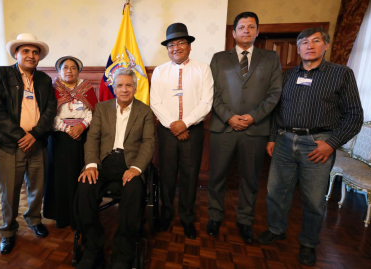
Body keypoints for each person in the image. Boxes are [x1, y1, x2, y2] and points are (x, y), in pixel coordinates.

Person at [257, 27, 363, 266]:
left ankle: (308, 243)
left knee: (313, 199)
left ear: (325, 46)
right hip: (284, 141)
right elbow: (276, 111)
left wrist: (332, 144)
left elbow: (354, 115)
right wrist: (273, 137)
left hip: (318, 145)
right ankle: (276, 229)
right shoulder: (287, 76)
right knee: (276, 192)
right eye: (304, 42)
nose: (309, 45)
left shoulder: (341, 74)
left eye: (316, 41)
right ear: (298, 48)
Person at [207, 11, 282, 243]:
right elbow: (212, 93)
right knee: (217, 176)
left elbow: (274, 94)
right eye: (242, 27)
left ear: (257, 31)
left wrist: (252, 116)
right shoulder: (219, 58)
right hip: (223, 127)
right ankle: (215, 216)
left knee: (250, 179)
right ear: (234, 32)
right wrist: (230, 117)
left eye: (251, 27)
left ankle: (245, 220)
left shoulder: (271, 58)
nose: (246, 31)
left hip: (255, 129)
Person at [74, 68, 155, 269]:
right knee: (84, 188)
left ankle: (122, 253)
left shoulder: (145, 111)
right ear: (113, 87)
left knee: (135, 191)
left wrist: (137, 168)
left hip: (130, 164)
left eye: (129, 85)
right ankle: (93, 247)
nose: (124, 89)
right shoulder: (102, 108)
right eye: (120, 85)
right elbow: (92, 138)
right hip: (104, 162)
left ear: (135, 88)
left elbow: (148, 143)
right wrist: (91, 164)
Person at [0, 33, 57, 255]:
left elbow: (50, 111)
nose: (31, 55)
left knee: (37, 188)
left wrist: (35, 134)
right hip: (10, 145)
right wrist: (20, 136)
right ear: (16, 53)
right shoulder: (1, 74)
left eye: (35, 52)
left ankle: (35, 220)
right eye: (25, 51)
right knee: (9, 192)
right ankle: (8, 231)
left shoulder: (45, 80)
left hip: (37, 143)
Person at [150, 22, 213, 239]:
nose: (175, 48)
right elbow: (155, 102)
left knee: (189, 175)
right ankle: (166, 213)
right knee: (166, 174)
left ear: (189, 46)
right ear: (167, 49)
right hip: (167, 132)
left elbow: (206, 102)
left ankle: (187, 217)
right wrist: (173, 125)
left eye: (180, 43)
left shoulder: (203, 69)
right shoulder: (159, 71)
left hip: (193, 132)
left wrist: (185, 123)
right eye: (171, 45)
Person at [43, 55, 97, 230]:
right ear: (59, 71)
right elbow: (49, 115)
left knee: (78, 175)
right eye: (65, 67)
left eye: (73, 67)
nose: (69, 71)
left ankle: (79, 216)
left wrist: (82, 126)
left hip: (82, 137)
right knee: (60, 177)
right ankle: (62, 216)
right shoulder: (51, 89)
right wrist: (67, 129)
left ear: (78, 71)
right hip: (59, 138)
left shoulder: (86, 88)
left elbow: (91, 111)